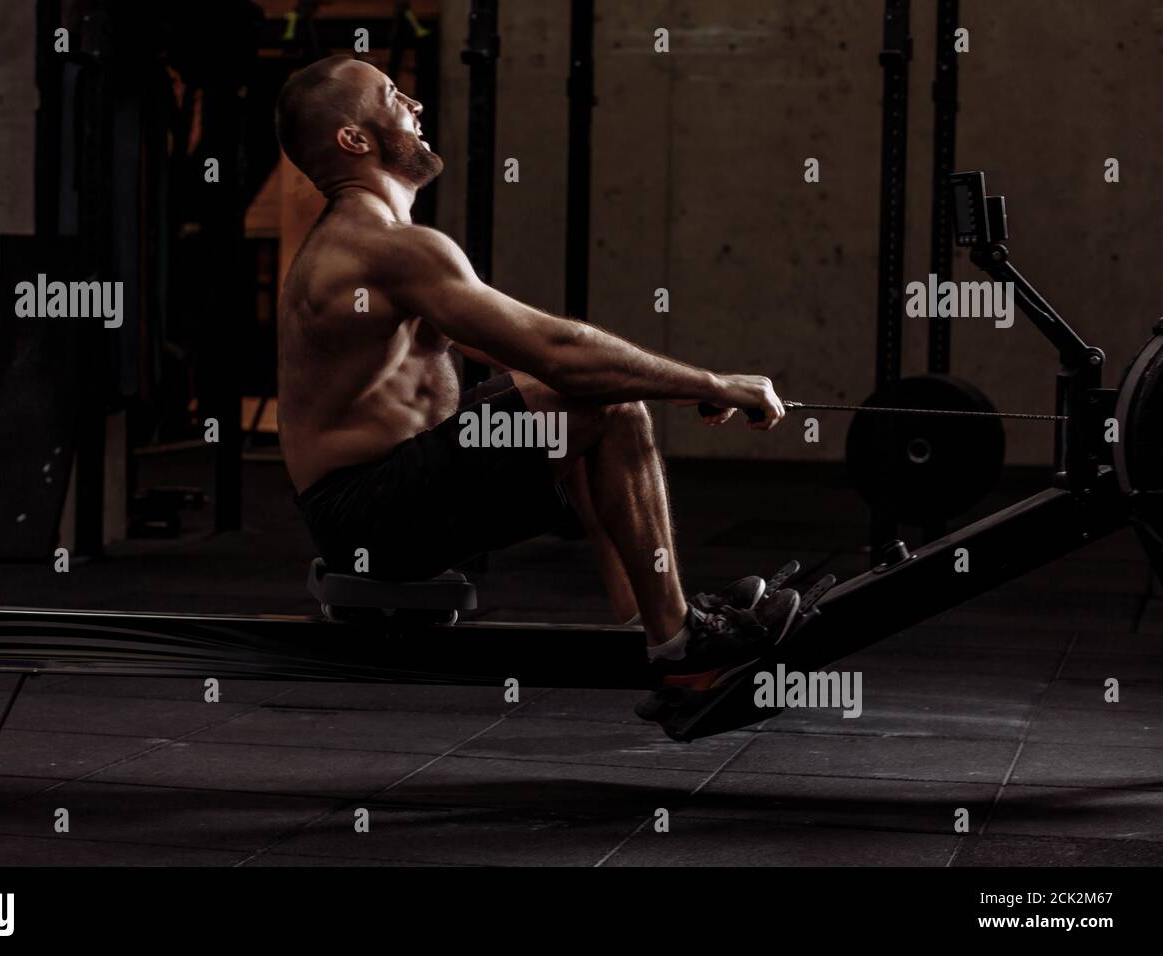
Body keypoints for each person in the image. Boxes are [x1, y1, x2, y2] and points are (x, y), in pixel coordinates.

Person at [274, 55, 797, 692]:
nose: (412, 104)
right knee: (601, 405)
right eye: (390, 96)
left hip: (377, 501)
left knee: (580, 402)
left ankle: (654, 622)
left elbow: (529, 360)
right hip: (372, 515)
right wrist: (713, 384)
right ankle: (683, 648)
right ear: (353, 139)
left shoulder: (369, 244)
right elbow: (557, 351)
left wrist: (659, 382)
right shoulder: (383, 248)